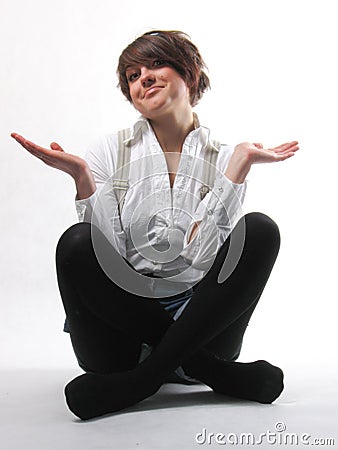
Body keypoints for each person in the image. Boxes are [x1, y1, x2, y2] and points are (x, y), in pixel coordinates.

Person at [11, 30, 299, 420]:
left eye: (154, 65)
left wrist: (238, 169)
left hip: (201, 321)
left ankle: (142, 382)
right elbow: (107, 257)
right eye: (132, 75)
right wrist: (81, 177)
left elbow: (201, 259)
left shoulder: (224, 158)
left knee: (261, 229)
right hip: (119, 332)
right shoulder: (108, 151)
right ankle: (208, 373)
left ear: (191, 74)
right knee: (77, 242)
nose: (142, 78)